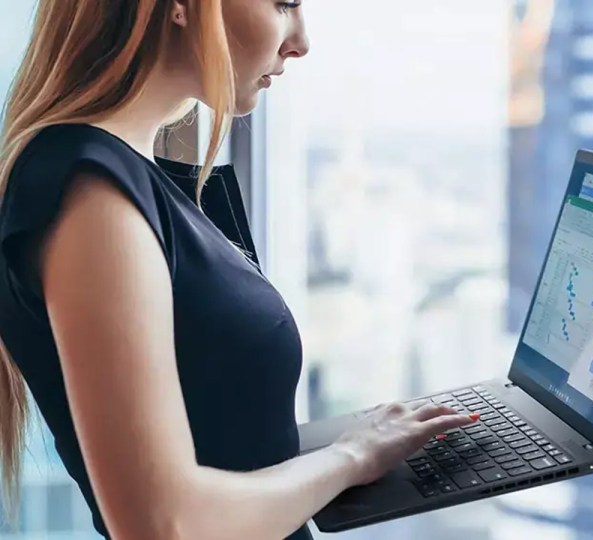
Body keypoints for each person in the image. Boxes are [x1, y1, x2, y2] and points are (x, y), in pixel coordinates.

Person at [0, 1, 477, 538]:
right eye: (283, 4)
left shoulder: (126, 176)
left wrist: (353, 447)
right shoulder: (92, 195)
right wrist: (351, 457)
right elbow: (164, 523)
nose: (300, 41)